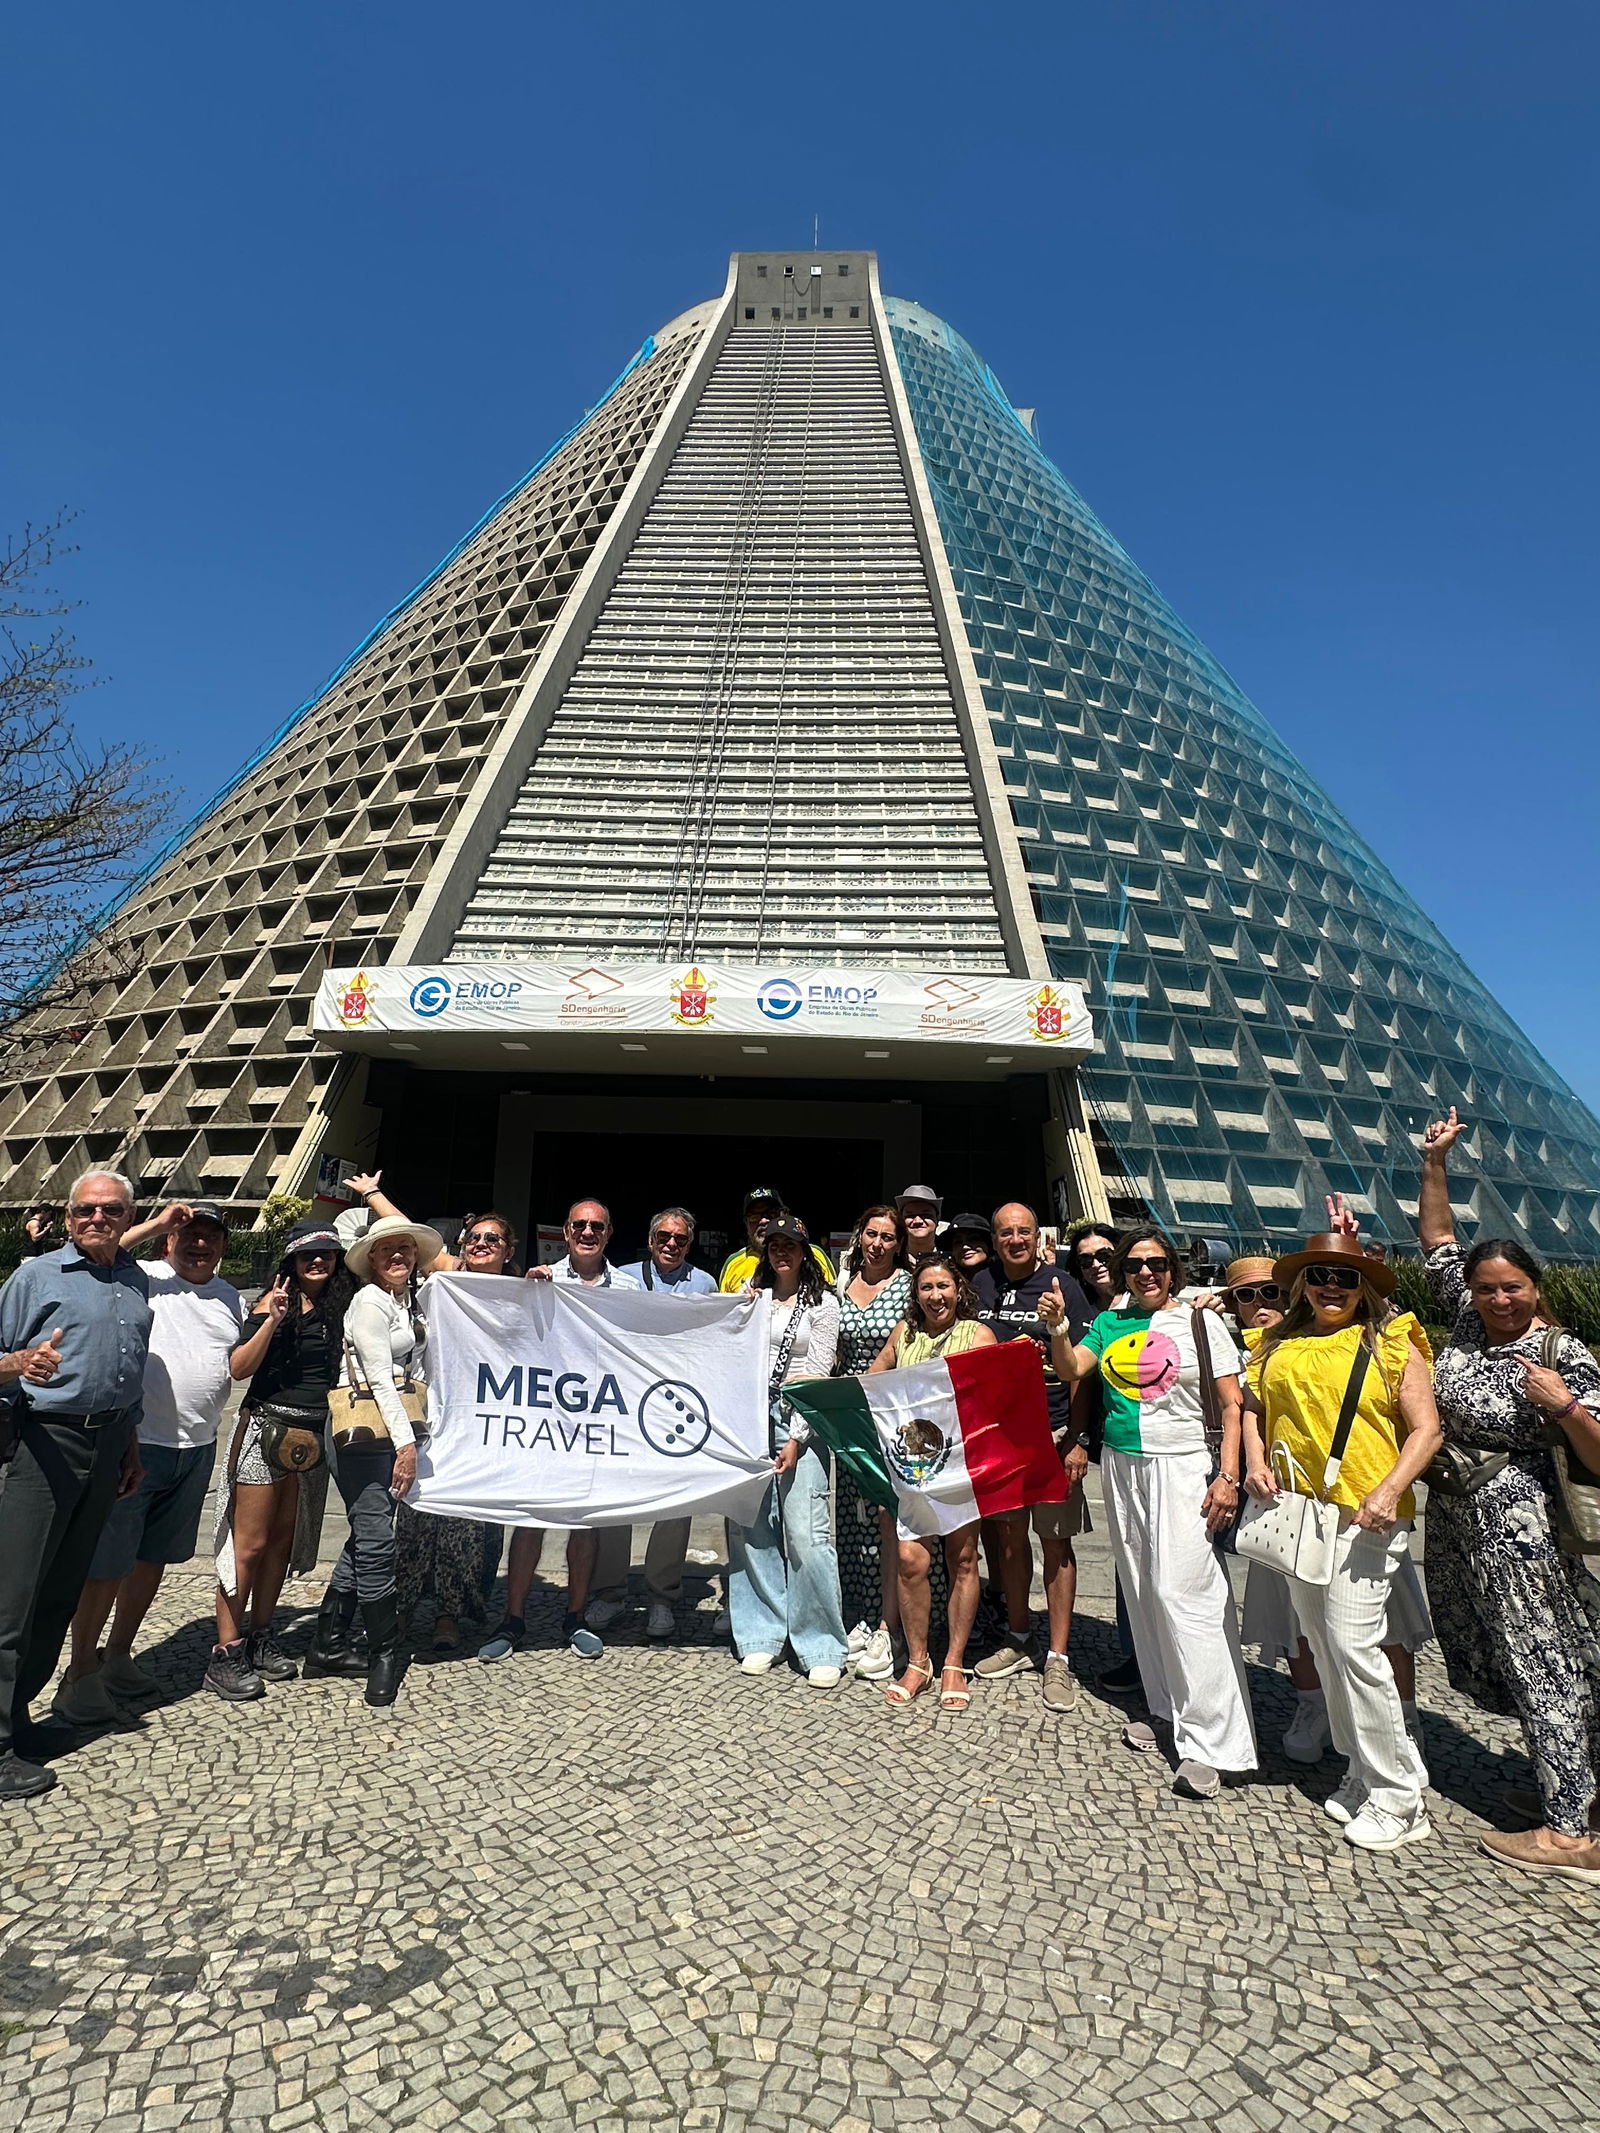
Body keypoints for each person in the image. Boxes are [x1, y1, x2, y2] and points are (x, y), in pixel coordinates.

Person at [1417, 1109, 1600, 1881]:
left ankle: (1571, 1833)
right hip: (1462, 1519)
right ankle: (1575, 1792)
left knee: (1546, 1658)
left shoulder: (1560, 1351)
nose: (1498, 1299)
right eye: (1488, 1288)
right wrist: (1434, 1163)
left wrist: (1564, 1405)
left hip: (1522, 1528)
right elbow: (1436, 1243)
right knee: (1511, 1656)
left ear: (1536, 1285)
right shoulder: (1465, 1320)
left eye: (1513, 1287)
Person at [1240, 1231, 1441, 1852]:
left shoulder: (1390, 1339)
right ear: (1301, 1283)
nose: (1334, 1286)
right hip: (1299, 1510)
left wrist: (1387, 1490)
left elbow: (1426, 1429)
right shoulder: (1275, 1341)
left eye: (1347, 1278)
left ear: (1365, 1287)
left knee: (1356, 1647)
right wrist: (1252, 1458)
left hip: (1366, 1515)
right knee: (1324, 1647)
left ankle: (1400, 1795)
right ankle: (1360, 1770)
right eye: (1322, 1274)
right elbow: (1251, 1408)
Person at [1050, 1226, 1255, 1800]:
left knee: (1184, 1593)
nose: (1147, 1272)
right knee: (1142, 1591)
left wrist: (1228, 1475)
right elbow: (1072, 1369)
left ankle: (1217, 1743)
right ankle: (1169, 1710)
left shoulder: (1200, 1321)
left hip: (1184, 1464)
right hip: (1123, 1464)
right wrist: (1058, 1330)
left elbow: (1233, 1403)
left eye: (1157, 1264)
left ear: (1173, 1270)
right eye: (1136, 1264)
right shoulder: (1111, 1322)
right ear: (1121, 1270)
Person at [61, 1203, 247, 1717]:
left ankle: (118, 1654)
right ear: (168, 1242)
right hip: (138, 1447)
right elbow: (101, 1249)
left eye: (211, 1237)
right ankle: (80, 1672)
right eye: (189, 1233)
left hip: (196, 1448)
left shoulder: (231, 1297)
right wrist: (162, 1222)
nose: (199, 1243)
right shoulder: (144, 1276)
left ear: (224, 1247)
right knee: (108, 1564)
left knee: (151, 1561)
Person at [0, 1169, 151, 1802]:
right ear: (67, 1219)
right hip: (42, 1442)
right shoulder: (34, 1277)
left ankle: (18, 1719)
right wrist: (17, 1363)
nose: (97, 1218)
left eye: (110, 1209)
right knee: (12, 1599)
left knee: (60, 1593)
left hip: (109, 1442)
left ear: (125, 1216)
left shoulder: (136, 1280)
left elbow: (129, 1371)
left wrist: (130, 1445)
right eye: (85, 1210)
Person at [482, 1199, 635, 1662]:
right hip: (543, 1417)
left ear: (608, 1234)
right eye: (579, 1226)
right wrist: (526, 1291)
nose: (588, 1232)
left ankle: (575, 1616)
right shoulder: (542, 1279)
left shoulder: (628, 1287)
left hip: (596, 1418)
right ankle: (513, 1619)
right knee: (529, 1521)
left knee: (583, 1524)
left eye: (597, 1226)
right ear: (566, 1233)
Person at [210, 1223, 349, 1701]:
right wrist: (271, 1319)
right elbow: (239, 1368)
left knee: (280, 1546)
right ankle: (226, 1652)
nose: (319, 1262)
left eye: (328, 1254)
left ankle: (262, 1636)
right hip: (267, 1426)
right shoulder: (270, 1302)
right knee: (248, 1544)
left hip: (312, 1434)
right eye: (309, 1254)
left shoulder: (341, 1304)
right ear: (290, 1259)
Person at [971, 1203, 1093, 1711]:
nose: (1015, 1240)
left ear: (1035, 1236)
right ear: (995, 1239)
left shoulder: (1062, 1283)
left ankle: (1058, 1658)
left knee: (1056, 1544)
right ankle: (1018, 1637)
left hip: (1054, 1432)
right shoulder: (978, 1284)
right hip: (998, 1436)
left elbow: (1084, 1367)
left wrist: (1080, 1438)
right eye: (1006, 1233)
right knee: (1009, 1542)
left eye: (1024, 1232)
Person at [868, 1252, 997, 1709]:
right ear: (916, 1294)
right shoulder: (906, 1333)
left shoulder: (977, 1334)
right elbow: (872, 1379)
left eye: (943, 1287)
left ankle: (954, 1662)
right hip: (911, 1468)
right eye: (926, 1288)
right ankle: (918, 1660)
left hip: (961, 1466)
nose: (935, 1296)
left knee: (963, 1561)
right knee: (910, 1561)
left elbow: (995, 1397)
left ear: (958, 1290)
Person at [329, 1213, 444, 1706]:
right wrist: (406, 1446)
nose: (398, 1256)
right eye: (387, 1250)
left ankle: (328, 1643)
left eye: (405, 1249)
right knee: (377, 1541)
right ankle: (384, 1651)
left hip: (390, 1429)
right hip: (365, 1434)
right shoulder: (369, 1302)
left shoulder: (407, 1301)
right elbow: (378, 1378)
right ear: (371, 1259)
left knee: (365, 1534)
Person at [727, 1215, 846, 1686]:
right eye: (773, 1245)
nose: (782, 1253)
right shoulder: (750, 1301)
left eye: (791, 1245)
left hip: (804, 1422)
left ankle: (820, 1642)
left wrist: (797, 1438)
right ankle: (760, 1635)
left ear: (805, 1252)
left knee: (806, 1533)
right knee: (751, 1530)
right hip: (750, 1421)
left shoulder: (824, 1304)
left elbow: (817, 1374)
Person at [611, 1206, 716, 1639]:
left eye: (680, 1239)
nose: (671, 1244)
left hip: (676, 1402)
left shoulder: (706, 1284)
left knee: (676, 1501)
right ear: (650, 1239)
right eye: (663, 1237)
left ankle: (661, 1596)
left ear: (690, 1244)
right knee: (614, 1495)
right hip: (625, 1399)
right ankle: (609, 1591)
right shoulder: (621, 1278)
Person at [835, 1206, 914, 1679]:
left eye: (888, 1237)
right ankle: (860, 1616)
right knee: (851, 1517)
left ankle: (892, 1623)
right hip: (848, 1414)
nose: (878, 1244)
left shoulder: (908, 1286)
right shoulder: (839, 1285)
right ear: (859, 1237)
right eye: (872, 1234)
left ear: (898, 1244)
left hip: (892, 1413)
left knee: (890, 1518)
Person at [718, 1188, 835, 1293]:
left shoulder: (814, 1255)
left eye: (771, 1214)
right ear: (746, 1223)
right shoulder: (734, 1264)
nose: (763, 1221)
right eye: (754, 1217)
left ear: (785, 1215)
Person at [895, 1185, 942, 1266]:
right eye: (910, 1215)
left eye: (925, 1214)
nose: (918, 1221)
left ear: (937, 1219)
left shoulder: (951, 1254)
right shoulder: (891, 1256)